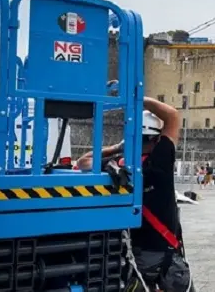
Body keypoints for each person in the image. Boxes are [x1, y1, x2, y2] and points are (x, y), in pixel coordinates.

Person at [76, 96, 193, 292]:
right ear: (156, 138)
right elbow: (172, 116)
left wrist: (117, 147)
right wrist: (138, 97)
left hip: (137, 255)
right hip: (167, 254)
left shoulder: (120, 166)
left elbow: (83, 162)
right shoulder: (160, 161)